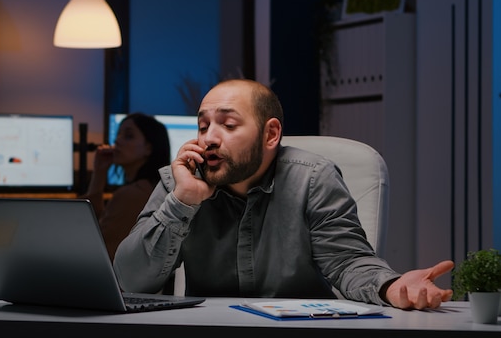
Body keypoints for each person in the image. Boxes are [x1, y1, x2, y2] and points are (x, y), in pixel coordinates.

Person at [113, 79, 454, 310]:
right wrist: (182, 203)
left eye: (228, 125)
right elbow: (130, 279)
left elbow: (347, 262)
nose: (208, 139)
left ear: (271, 133)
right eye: (203, 126)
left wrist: (391, 286)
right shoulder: (180, 182)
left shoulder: (313, 178)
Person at [84, 112, 170, 261]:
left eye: (128, 136)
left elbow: (95, 242)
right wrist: (99, 172)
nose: (117, 140)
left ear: (149, 148)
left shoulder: (131, 195)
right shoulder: (153, 187)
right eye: (118, 135)